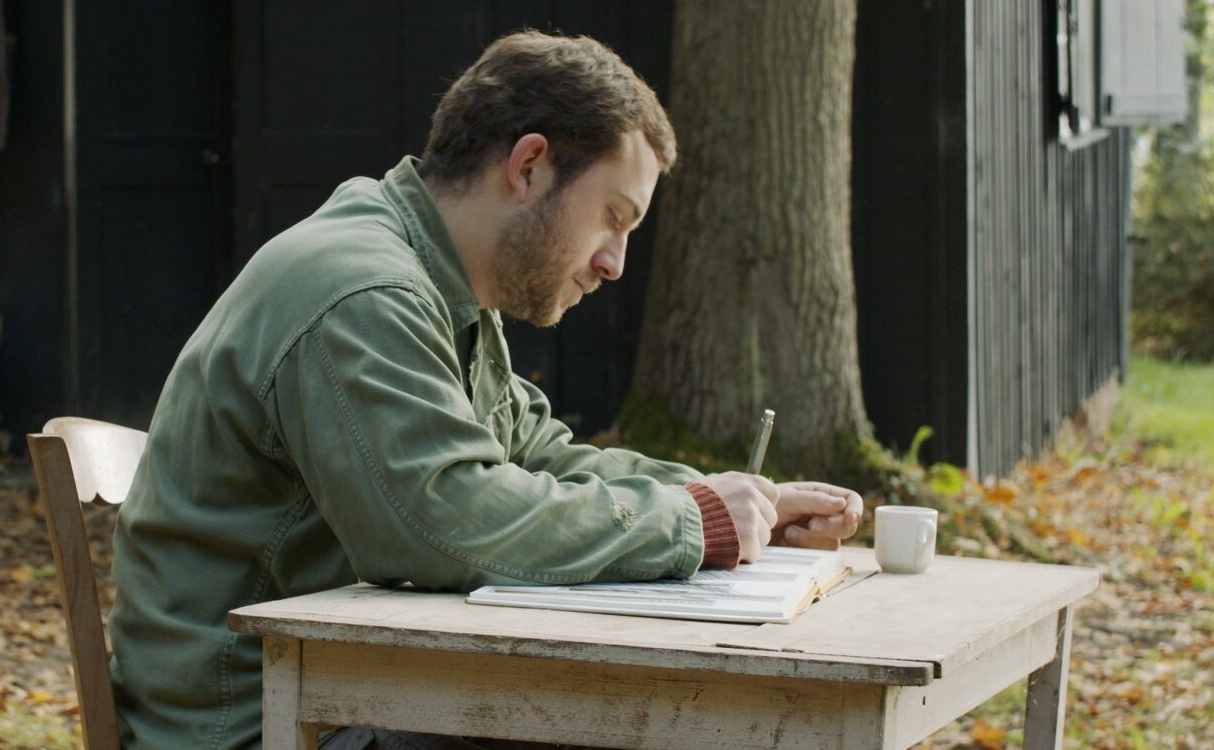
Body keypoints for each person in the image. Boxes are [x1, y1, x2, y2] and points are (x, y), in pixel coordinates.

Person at [108, 30, 864, 749]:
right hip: (262, 727)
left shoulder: (437, 286)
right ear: (529, 165)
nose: (615, 263)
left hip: (337, 698)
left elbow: (538, 458)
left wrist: (735, 505)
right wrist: (692, 522)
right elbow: (444, 521)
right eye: (613, 217)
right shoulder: (362, 291)